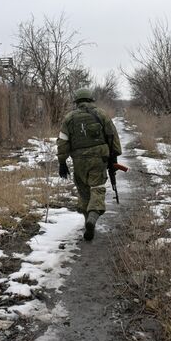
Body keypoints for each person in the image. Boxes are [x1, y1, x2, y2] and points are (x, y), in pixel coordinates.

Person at [56, 88, 122, 241]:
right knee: (97, 189)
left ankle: (88, 222)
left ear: (77, 102)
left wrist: (62, 162)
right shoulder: (101, 114)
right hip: (99, 160)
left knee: (84, 191)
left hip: (79, 161)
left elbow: (63, 141)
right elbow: (112, 136)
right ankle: (93, 218)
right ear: (91, 100)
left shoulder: (69, 118)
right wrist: (114, 157)